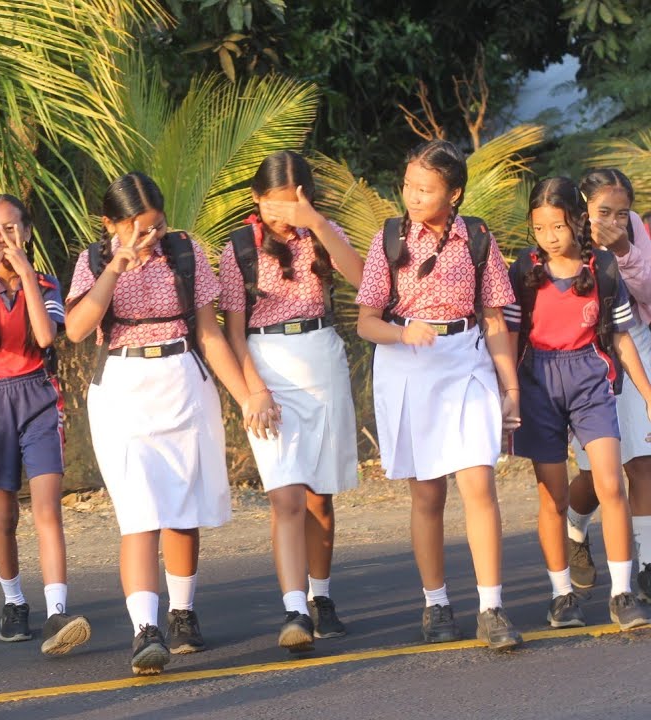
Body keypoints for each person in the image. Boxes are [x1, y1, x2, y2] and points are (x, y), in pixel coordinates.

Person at [65, 172, 255, 675]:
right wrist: (116, 267)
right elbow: (79, 328)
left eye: (156, 226)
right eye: (138, 229)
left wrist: (246, 397)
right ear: (111, 223)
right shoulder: (94, 260)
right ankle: (145, 630)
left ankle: (182, 612)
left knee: (182, 506)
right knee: (139, 513)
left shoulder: (185, 252)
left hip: (183, 381)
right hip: (123, 389)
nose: (150, 238)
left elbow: (211, 334)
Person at [354, 140, 524, 651]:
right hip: (408, 367)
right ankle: (436, 603)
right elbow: (366, 322)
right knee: (428, 494)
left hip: (466, 359)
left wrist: (508, 386)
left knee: (479, 484)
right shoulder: (388, 238)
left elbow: (493, 314)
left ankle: (491, 607)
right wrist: (403, 332)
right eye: (408, 185)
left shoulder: (477, 237)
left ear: (454, 193)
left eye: (425, 189)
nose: (413, 196)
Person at [218, 152, 363, 651]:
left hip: (322, 356)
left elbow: (363, 281)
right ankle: (294, 609)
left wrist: (316, 223)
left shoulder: (323, 231)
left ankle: (321, 597)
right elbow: (234, 333)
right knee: (286, 494)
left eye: (293, 203)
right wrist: (253, 389)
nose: (284, 214)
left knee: (320, 497)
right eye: (274, 204)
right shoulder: (238, 247)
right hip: (268, 363)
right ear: (257, 200)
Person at [505, 177, 651, 631]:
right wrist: (507, 392)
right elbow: (509, 338)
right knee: (553, 496)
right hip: (539, 383)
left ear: (577, 222)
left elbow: (622, 340)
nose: (550, 237)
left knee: (611, 483)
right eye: (540, 228)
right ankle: (561, 595)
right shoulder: (523, 270)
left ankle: (623, 593)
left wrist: (648, 394)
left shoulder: (602, 267)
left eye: (559, 226)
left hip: (591, 379)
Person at [0, 194, 91, 656]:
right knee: (4, 513)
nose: (0, 239)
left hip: (37, 395)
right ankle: (14, 601)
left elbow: (48, 335)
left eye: (9, 229)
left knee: (47, 507)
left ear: (27, 233)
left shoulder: (46, 282)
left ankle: (56, 610)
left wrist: (26, 275)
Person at [564, 169, 651, 602]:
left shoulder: (633, 232)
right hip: (585, 353)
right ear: (583, 208)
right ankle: (574, 529)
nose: (614, 219)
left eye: (622, 212)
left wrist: (624, 250)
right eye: (603, 212)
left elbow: (649, 293)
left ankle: (648, 564)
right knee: (596, 471)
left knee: (643, 460)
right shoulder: (564, 233)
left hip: (634, 341)